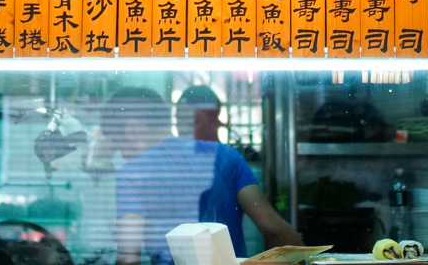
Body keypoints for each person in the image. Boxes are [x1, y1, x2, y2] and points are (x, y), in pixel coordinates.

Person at [104, 87, 302, 265]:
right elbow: (276, 231)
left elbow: (128, 257)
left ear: (131, 129)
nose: (120, 154)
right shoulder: (225, 156)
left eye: (116, 143)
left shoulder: (132, 174)